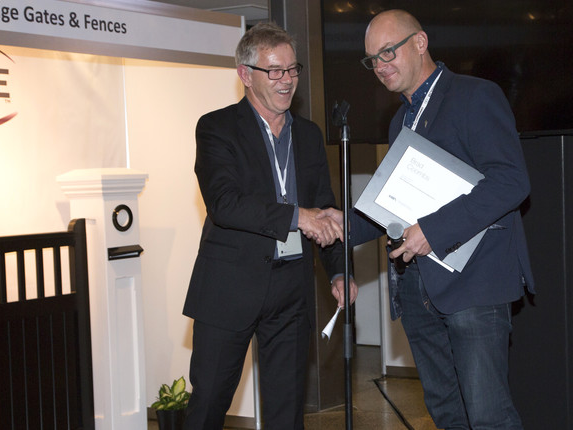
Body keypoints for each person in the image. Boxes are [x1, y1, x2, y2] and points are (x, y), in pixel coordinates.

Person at [328, 9, 536, 429]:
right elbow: (396, 206)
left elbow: (511, 182)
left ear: (420, 43)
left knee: (488, 416)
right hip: (418, 290)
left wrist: (433, 231)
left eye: (388, 52)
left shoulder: (476, 96)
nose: (381, 66)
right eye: (373, 59)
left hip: (474, 286)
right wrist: (335, 224)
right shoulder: (399, 120)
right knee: (447, 415)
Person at [182, 22, 357, 430]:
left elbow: (324, 209)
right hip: (229, 288)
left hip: (292, 291)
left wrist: (337, 269)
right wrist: (299, 216)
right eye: (275, 71)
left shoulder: (309, 135)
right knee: (207, 405)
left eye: (292, 70)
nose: (287, 81)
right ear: (245, 75)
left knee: (286, 411)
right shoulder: (216, 128)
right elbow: (225, 204)